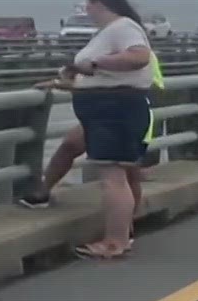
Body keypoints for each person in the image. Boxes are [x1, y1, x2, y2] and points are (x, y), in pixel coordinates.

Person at [35, 0, 154, 260]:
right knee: (114, 170)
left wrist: (97, 63)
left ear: (99, 3)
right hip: (107, 109)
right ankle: (122, 234)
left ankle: (115, 242)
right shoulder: (110, 31)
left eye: (88, 3)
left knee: (113, 178)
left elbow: (139, 57)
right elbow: (103, 77)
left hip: (114, 110)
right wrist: (65, 81)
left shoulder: (123, 27)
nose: (86, 9)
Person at [19, 45, 162, 214]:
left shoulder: (137, 54)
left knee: (128, 171)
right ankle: (42, 193)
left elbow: (118, 86)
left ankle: (128, 223)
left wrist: (63, 84)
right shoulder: (109, 48)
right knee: (70, 145)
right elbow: (98, 82)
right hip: (104, 113)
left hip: (131, 115)